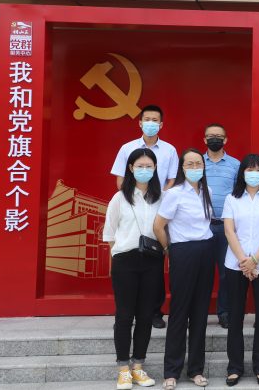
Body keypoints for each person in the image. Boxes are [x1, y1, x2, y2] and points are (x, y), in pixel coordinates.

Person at [111, 104, 178, 329]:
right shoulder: (127, 148)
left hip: (159, 207)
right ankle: (127, 313)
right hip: (133, 205)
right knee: (130, 260)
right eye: (146, 119)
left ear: (161, 124)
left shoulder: (169, 150)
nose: (150, 123)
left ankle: (155, 311)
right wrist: (133, 197)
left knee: (155, 260)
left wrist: (160, 198)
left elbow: (171, 179)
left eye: (155, 120)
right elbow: (120, 179)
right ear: (140, 123)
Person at [153, 149, 215, 390]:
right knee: (180, 312)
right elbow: (158, 226)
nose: (195, 167)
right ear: (182, 167)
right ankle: (171, 371)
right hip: (183, 251)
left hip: (205, 251)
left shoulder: (206, 191)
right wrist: (169, 249)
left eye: (198, 163)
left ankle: (196, 370)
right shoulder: (174, 193)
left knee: (200, 312)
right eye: (190, 164)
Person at [103, 148, 162, 390]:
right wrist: (115, 260)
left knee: (146, 315)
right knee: (125, 316)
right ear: (130, 168)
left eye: (149, 166)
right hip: (125, 261)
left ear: (155, 169)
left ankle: (138, 366)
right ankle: (123, 369)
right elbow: (109, 234)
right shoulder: (120, 198)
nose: (144, 170)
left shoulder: (160, 197)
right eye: (140, 166)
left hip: (152, 261)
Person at [222, 154, 259, 387]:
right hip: (235, 264)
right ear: (242, 173)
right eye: (250, 169)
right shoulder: (232, 199)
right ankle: (234, 367)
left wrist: (255, 259)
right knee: (235, 315)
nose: (254, 174)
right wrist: (244, 261)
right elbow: (229, 231)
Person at [203, 123, 240, 329]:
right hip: (202, 226)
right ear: (204, 139)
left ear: (225, 140)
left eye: (218, 136)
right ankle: (199, 312)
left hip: (226, 227)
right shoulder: (197, 163)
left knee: (226, 272)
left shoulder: (235, 165)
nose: (214, 139)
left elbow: (238, 194)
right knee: (202, 271)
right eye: (210, 136)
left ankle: (224, 312)